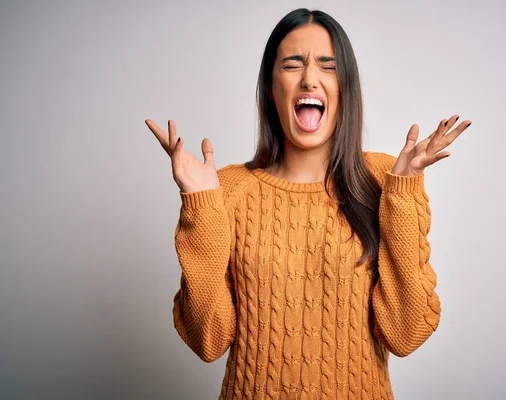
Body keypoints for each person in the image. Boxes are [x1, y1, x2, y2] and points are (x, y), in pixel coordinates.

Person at [145, 7, 471, 400]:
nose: (310, 79)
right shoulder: (229, 188)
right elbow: (207, 341)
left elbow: (407, 333)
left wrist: (401, 194)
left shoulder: (384, 179)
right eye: (293, 64)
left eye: (328, 66)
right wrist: (201, 209)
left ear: (345, 87)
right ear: (270, 86)